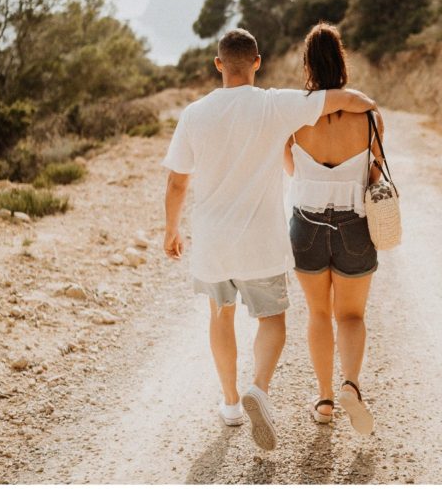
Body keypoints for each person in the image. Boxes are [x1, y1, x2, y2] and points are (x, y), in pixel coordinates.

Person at [162, 28, 377, 452]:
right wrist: (368, 104)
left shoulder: (194, 113)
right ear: (257, 62)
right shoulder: (276, 104)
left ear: (219, 64)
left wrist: (171, 229)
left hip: (213, 240)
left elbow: (176, 183)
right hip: (263, 241)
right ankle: (260, 386)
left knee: (221, 315)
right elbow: (341, 100)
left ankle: (230, 404)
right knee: (275, 321)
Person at [283, 23, 383, 435]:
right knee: (352, 315)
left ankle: (324, 400)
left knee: (319, 313)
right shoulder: (369, 114)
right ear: (342, 60)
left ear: (307, 63)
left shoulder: (293, 114)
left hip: (305, 222)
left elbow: (290, 169)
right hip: (354, 223)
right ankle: (351, 386)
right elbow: (377, 173)